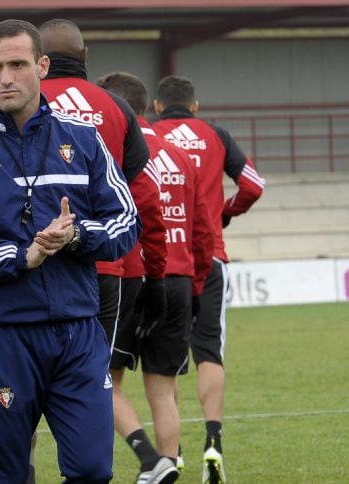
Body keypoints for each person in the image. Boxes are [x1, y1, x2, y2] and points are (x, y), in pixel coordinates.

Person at [0, 19, 140, 483]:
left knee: (94, 470)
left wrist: (76, 237)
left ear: (41, 66)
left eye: (17, 64)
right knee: (3, 475)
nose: (6, 78)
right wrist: (21, 256)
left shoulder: (83, 141)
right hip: (2, 337)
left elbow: (125, 221)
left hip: (79, 333)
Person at [38, 18, 168, 483]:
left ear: (39, 60)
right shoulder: (116, 108)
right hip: (106, 268)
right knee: (93, 380)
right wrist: (155, 275)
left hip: (34, 269)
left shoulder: (22, 104)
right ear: (86, 56)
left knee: (21, 383)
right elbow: (145, 197)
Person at [97, 71, 215, 484]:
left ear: (116, 108)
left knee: (104, 379)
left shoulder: (110, 151)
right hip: (179, 279)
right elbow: (203, 227)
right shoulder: (179, 154)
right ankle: (169, 464)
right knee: (163, 387)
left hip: (133, 277)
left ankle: (149, 457)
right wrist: (198, 286)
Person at [152, 75, 266, 484]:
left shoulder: (146, 136)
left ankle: (173, 452)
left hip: (162, 260)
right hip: (211, 255)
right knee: (209, 353)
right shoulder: (215, 135)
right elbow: (254, 184)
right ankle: (213, 443)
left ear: (157, 106)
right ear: (195, 106)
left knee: (165, 363)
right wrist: (227, 212)